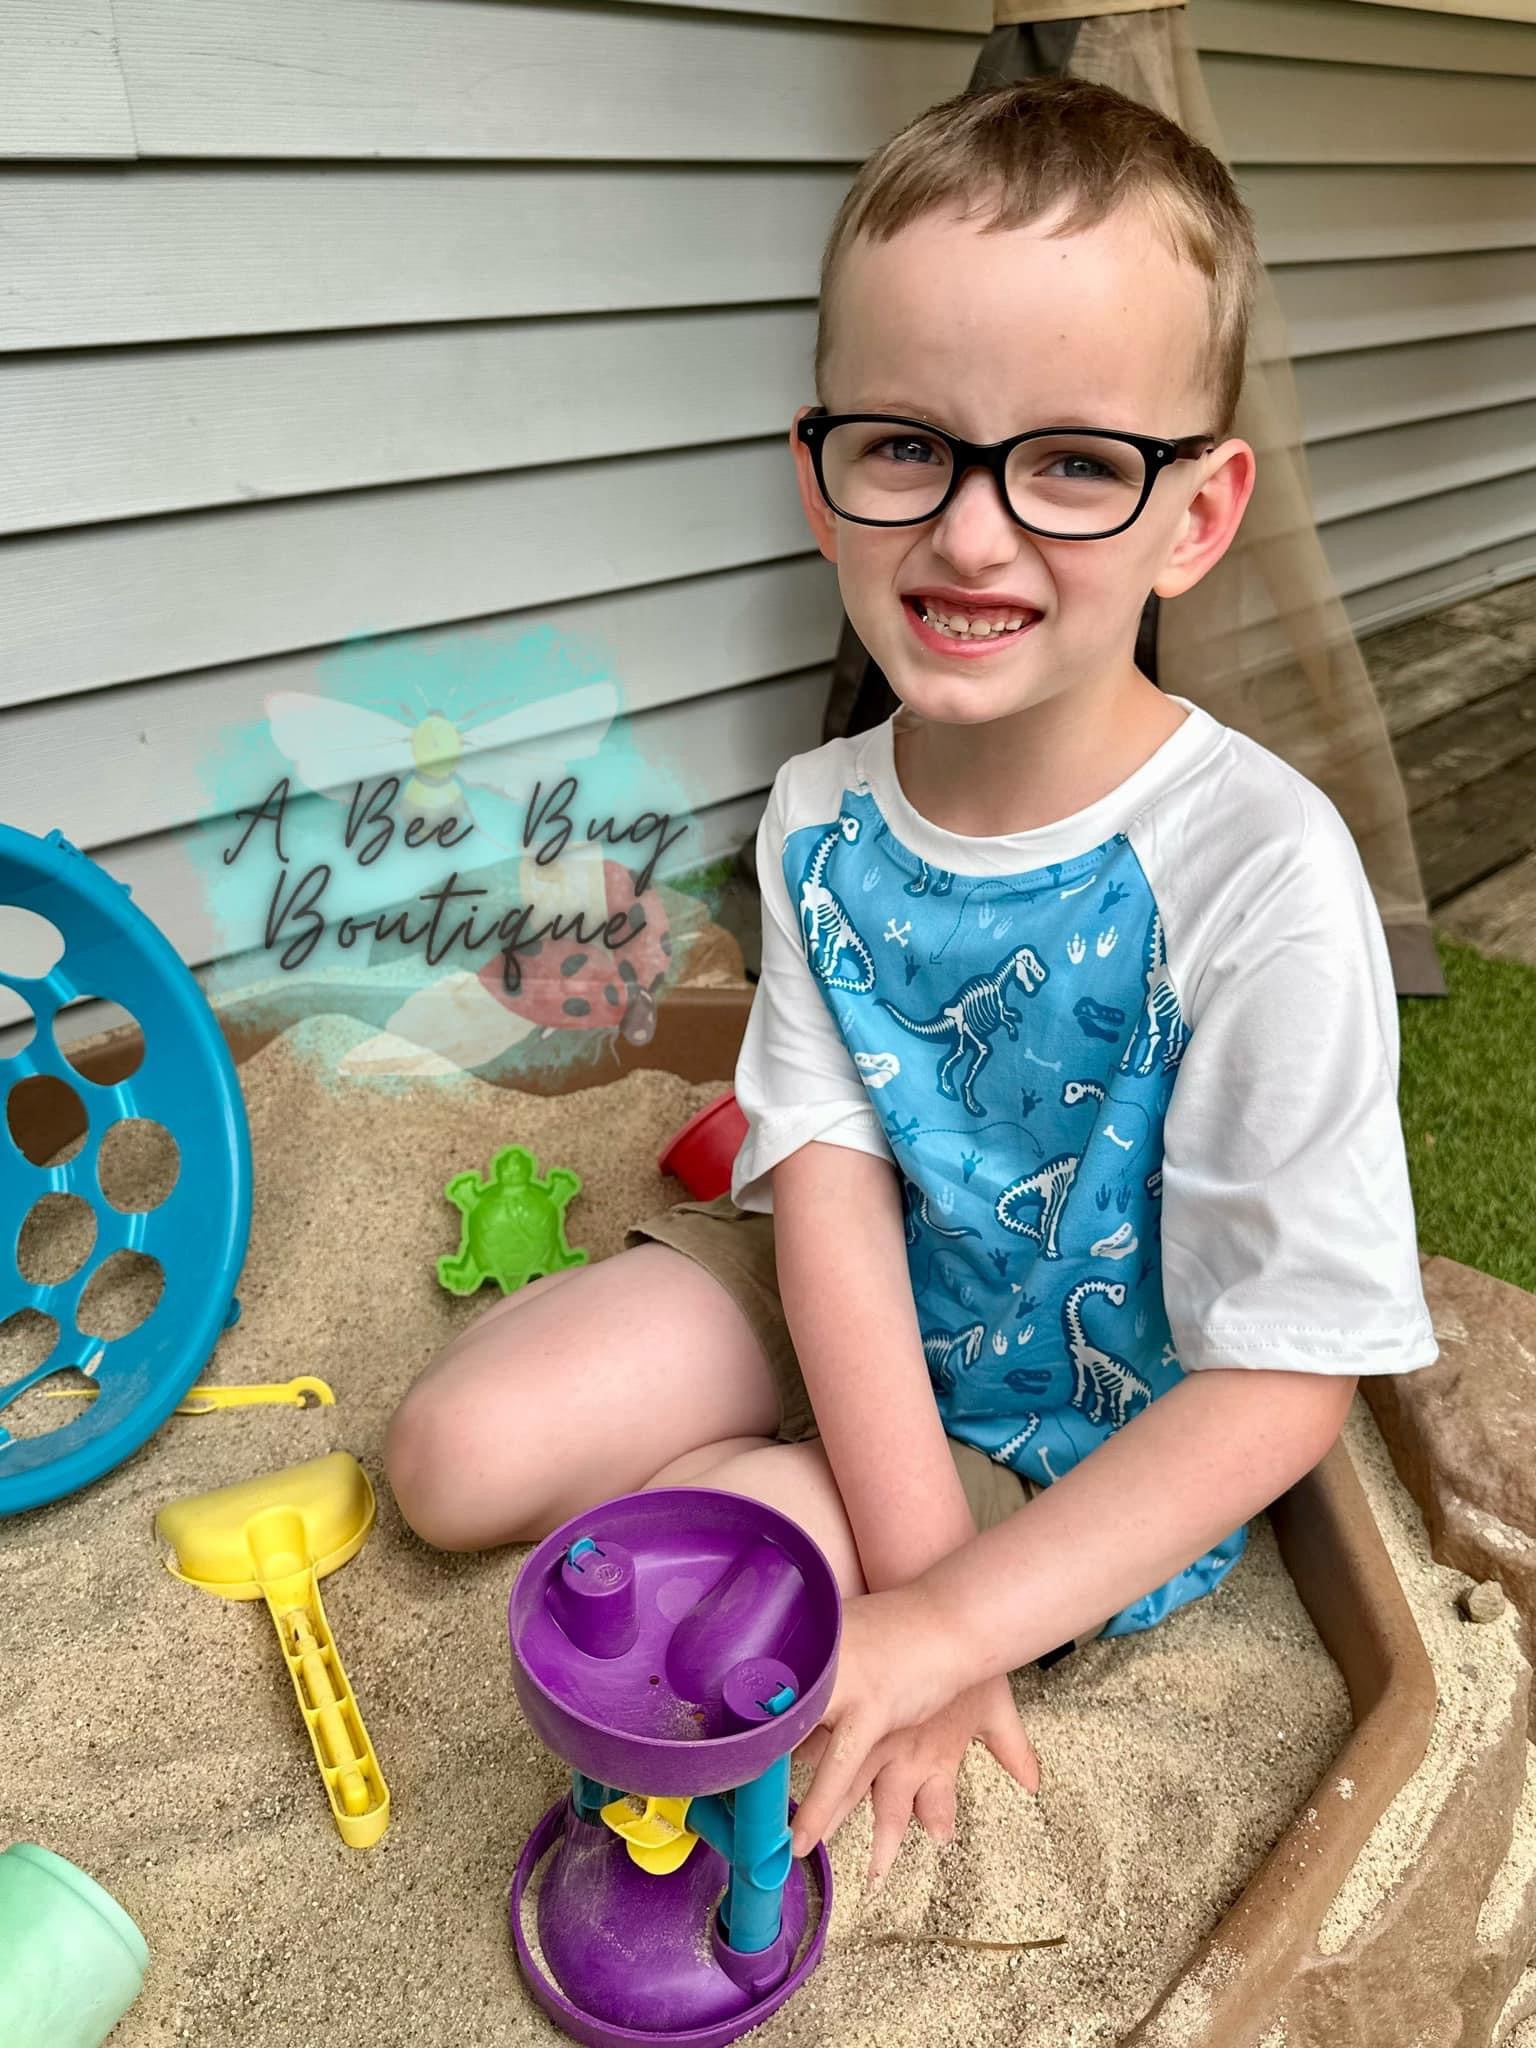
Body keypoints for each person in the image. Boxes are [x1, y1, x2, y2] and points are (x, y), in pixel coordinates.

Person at [384, 75, 1439, 1887]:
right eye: (907, 446)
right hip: (843, 1290)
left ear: (1197, 515)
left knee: (707, 1617)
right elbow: (836, 1197)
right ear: (821, 477)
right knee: (453, 1460)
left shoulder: (1260, 872)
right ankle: (768, 1454)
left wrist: (946, 1615)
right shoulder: (818, 817)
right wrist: (899, 1549)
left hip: (1071, 1403)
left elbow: (1282, 1381)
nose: (971, 533)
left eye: (1078, 463)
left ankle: (775, 1480)